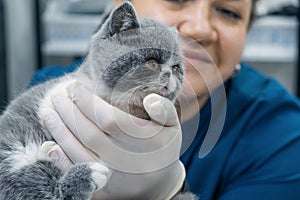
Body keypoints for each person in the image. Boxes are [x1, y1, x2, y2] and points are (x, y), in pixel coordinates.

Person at [31, 0, 300, 199]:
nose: (200, 28)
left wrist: (168, 192)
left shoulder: (280, 133)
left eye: (228, 12)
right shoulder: (50, 95)